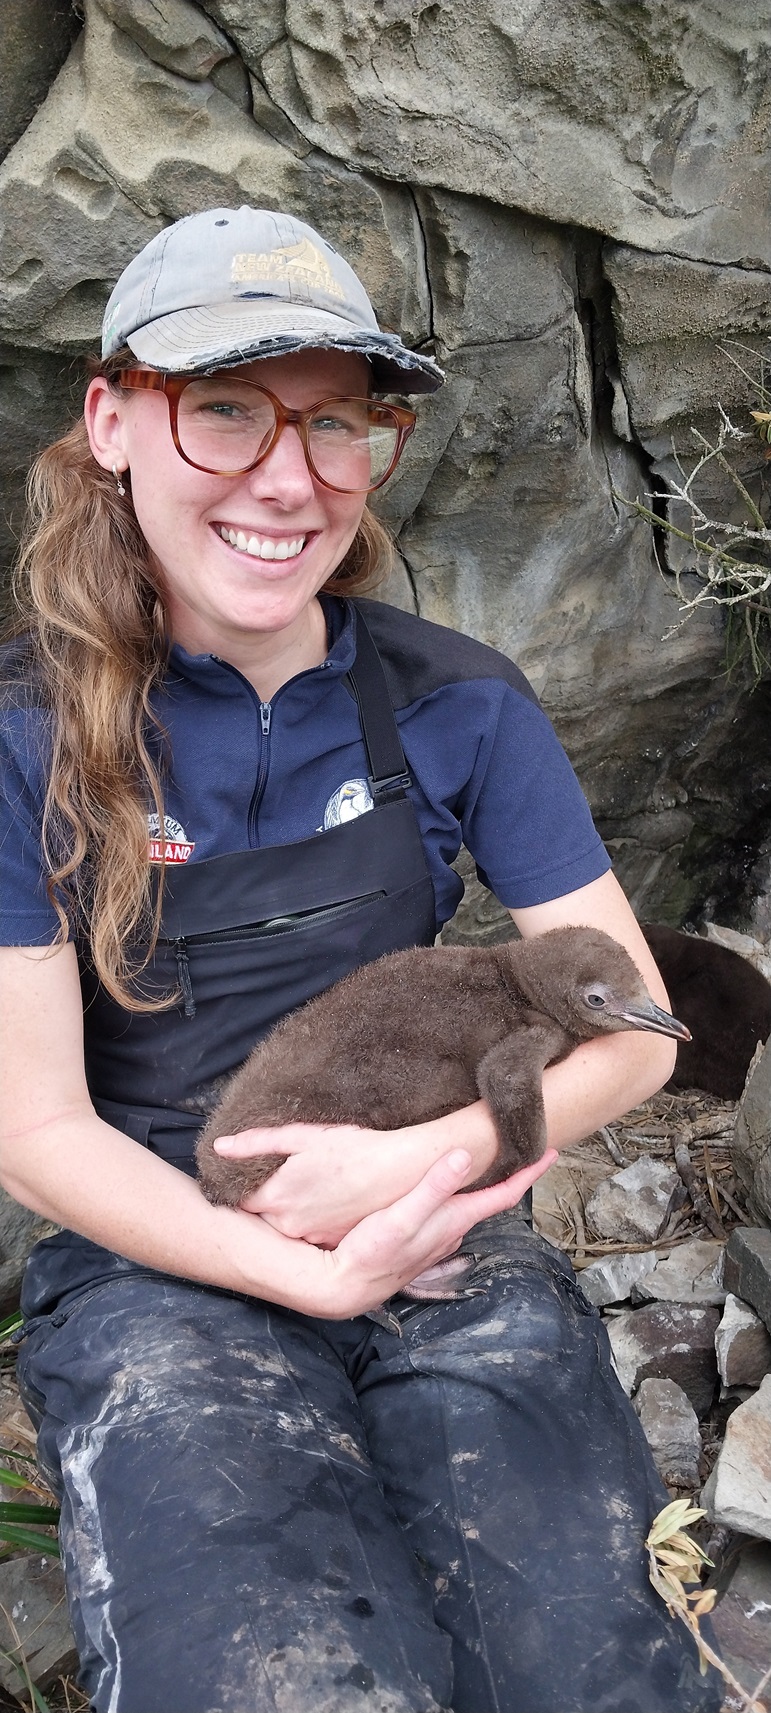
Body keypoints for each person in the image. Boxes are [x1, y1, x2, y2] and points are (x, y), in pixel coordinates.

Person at [0, 206, 719, 1713]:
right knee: (283, 1674)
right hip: (159, 1263)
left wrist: (446, 1156)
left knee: (588, 1666)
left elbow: (641, 1033)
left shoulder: (459, 702)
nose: (290, 476)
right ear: (112, 420)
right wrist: (296, 1268)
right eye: (227, 412)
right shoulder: (24, 740)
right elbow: (37, 1129)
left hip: (442, 1223)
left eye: (337, 425)